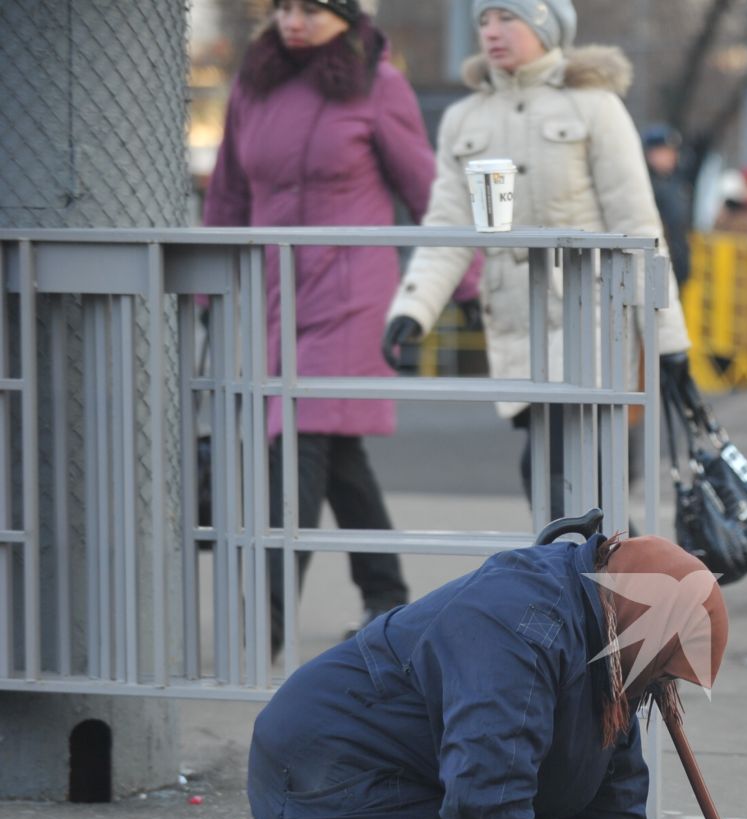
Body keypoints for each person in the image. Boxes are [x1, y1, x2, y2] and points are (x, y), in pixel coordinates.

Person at [148, 534, 728, 819]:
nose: (661, 689)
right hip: (327, 771)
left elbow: (614, 784)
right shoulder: (519, 625)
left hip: (417, 777)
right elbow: (487, 785)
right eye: (659, 673)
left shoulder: (609, 635)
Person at [383, 0, 695, 518]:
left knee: (565, 476)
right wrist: (412, 309)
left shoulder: (593, 106)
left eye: (508, 17)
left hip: (593, 323)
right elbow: (448, 227)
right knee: (564, 489)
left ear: (545, 26)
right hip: (515, 330)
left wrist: (669, 340)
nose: (492, 31)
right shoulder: (466, 117)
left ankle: (606, 592)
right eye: (483, 20)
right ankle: (622, 590)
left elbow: (640, 228)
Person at [204, 0, 442, 648]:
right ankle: (387, 598)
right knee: (338, 453)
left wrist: (456, 284)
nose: (294, 20)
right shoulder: (255, 85)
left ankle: (266, 618)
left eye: (311, 7)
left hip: (351, 292)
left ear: (345, 14)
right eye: (283, 6)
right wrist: (204, 290)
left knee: (299, 438)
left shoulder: (379, 84)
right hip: (275, 292)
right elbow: (227, 194)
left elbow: (428, 189)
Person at [642, 123, 694, 285]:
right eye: (663, 152)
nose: (670, 156)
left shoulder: (677, 182)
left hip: (677, 263)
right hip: (655, 261)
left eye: (671, 152)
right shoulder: (646, 185)